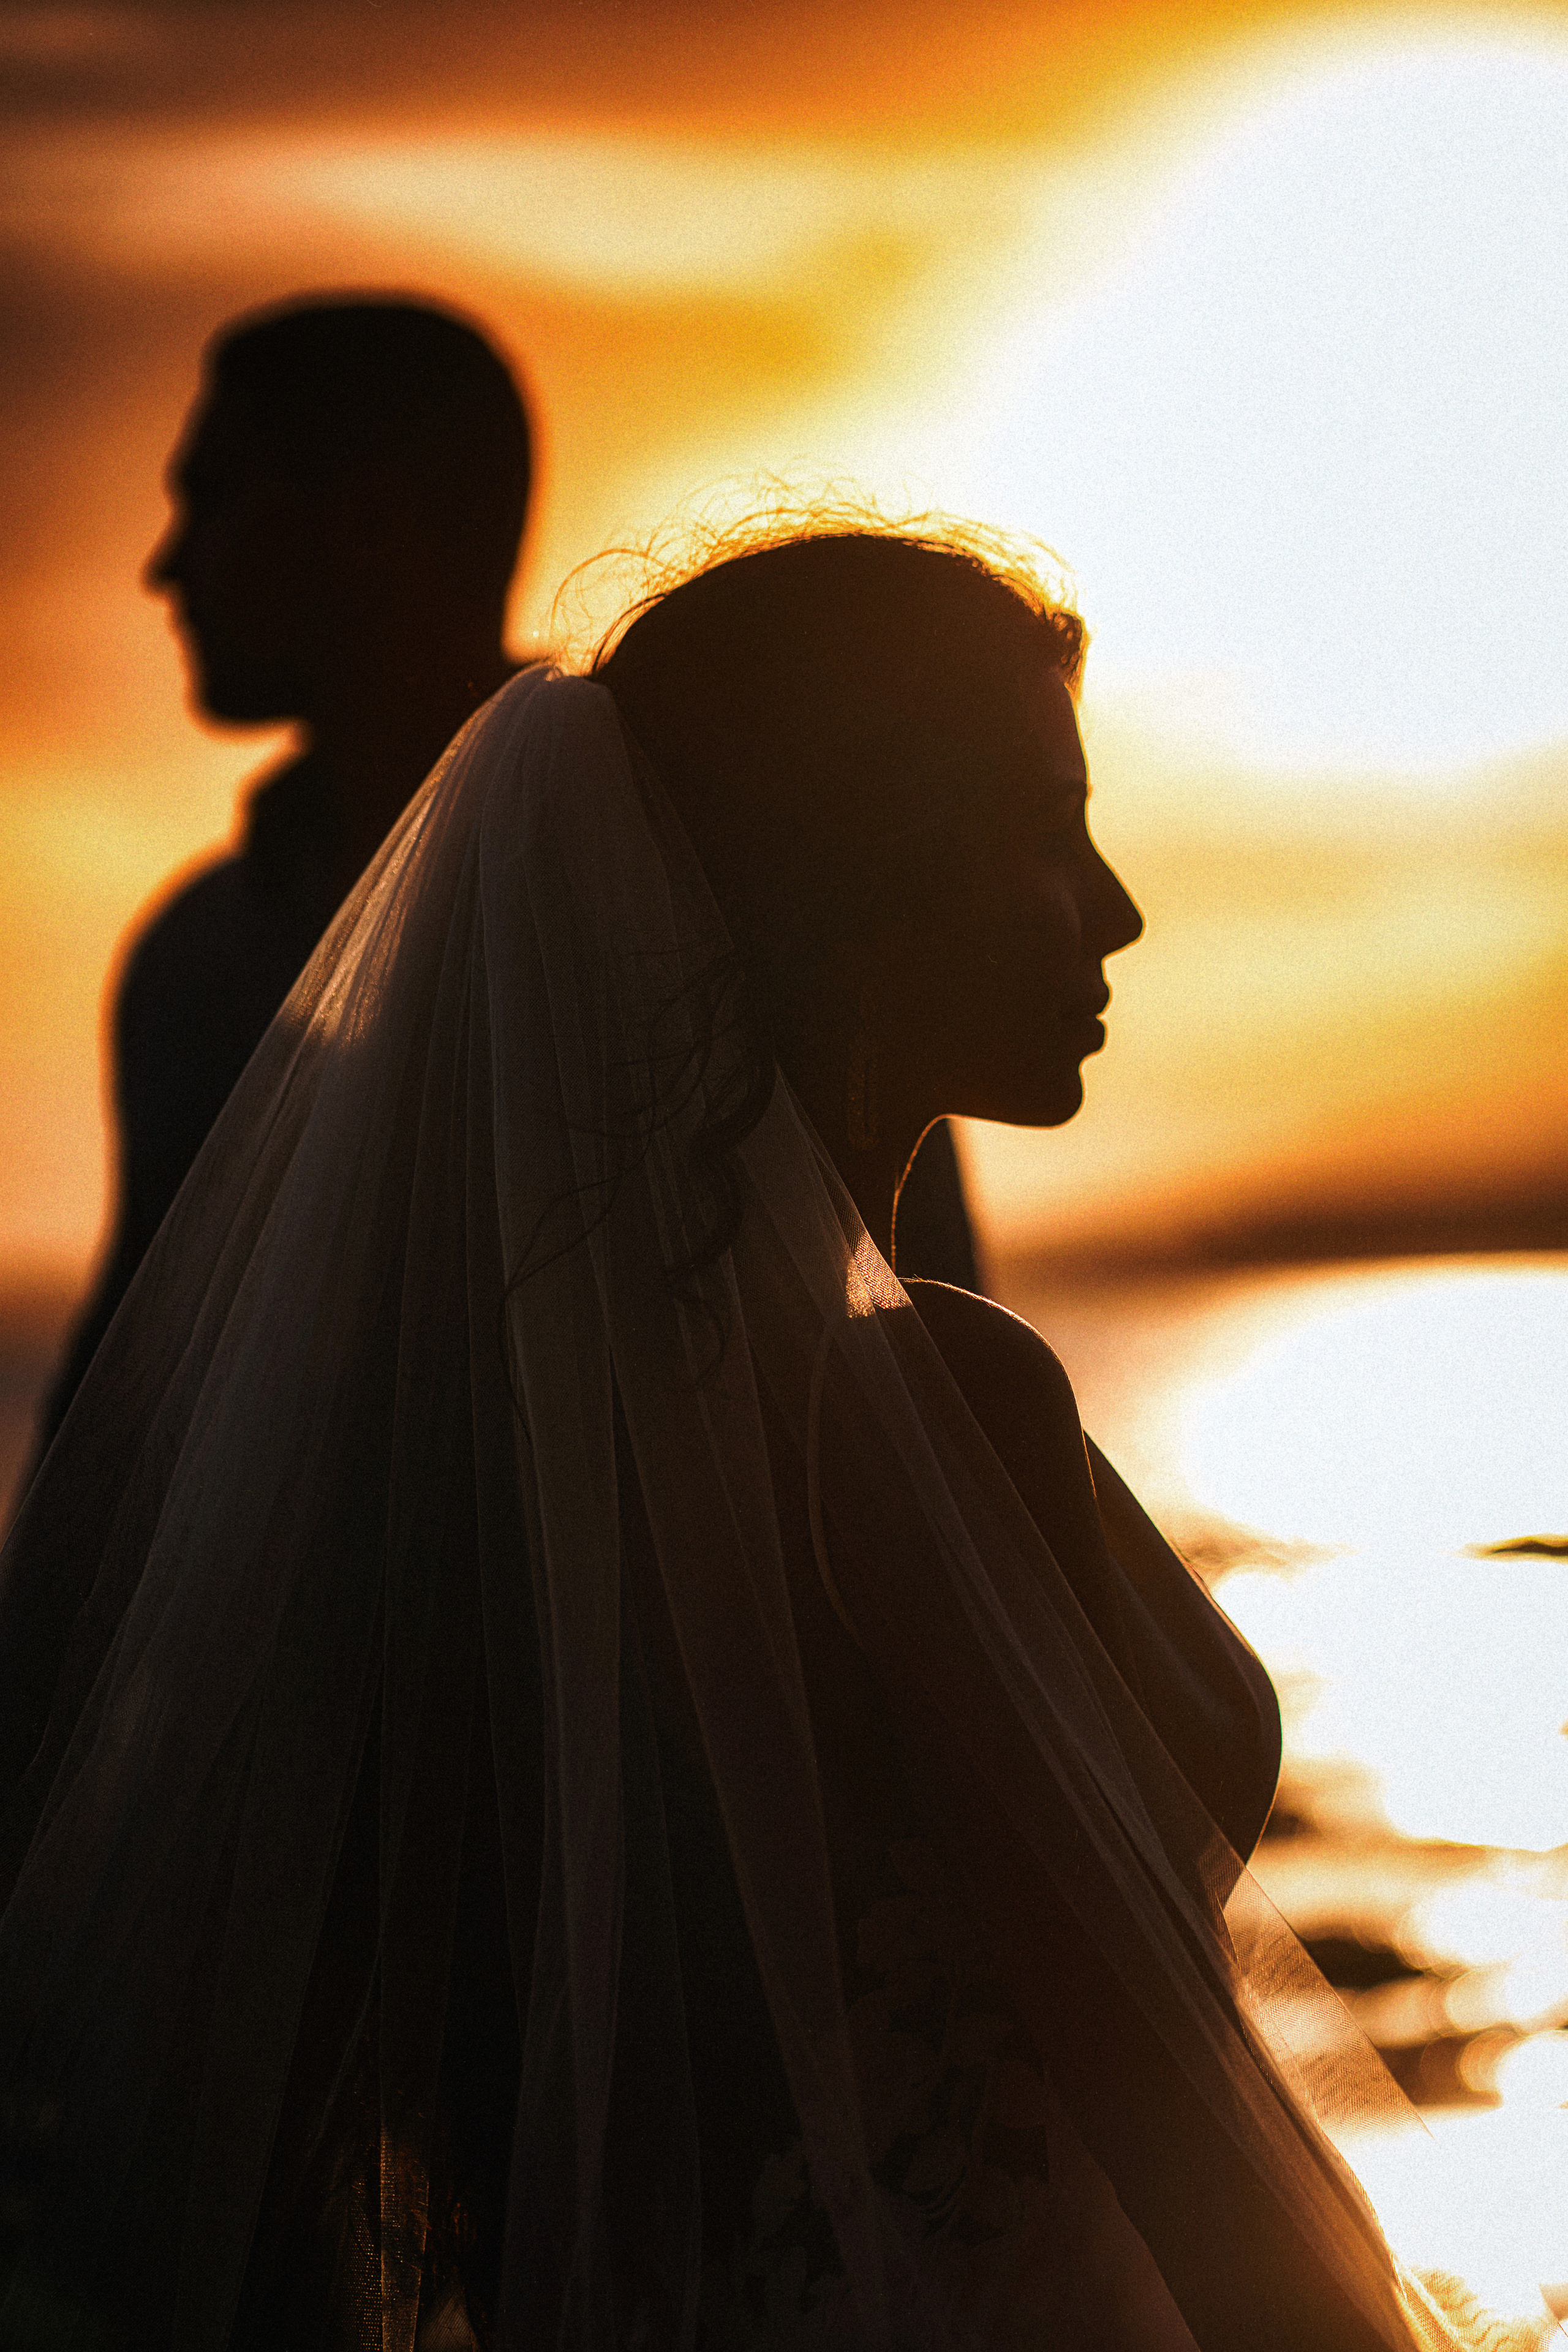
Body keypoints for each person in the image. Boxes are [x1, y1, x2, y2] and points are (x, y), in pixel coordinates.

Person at [0, 529, 1525, 2350]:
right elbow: (1182, 2126)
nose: (1111, 909)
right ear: (866, 870)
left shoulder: (500, 1457)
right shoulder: (926, 1409)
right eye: (1050, 830)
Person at [30, 302, 977, 1479]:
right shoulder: (203, 957)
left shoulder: (713, 904)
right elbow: (123, 1413)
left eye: (213, 497)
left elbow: (919, 1342)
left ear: (371, 527)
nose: (166, 564)